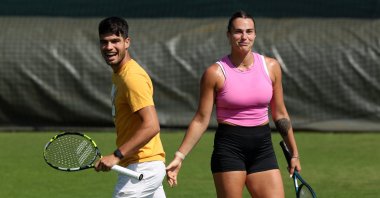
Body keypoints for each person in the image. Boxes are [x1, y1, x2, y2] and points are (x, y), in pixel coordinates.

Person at [166, 10, 301, 198]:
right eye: (238, 32)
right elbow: (201, 119)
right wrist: (179, 156)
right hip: (229, 149)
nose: (244, 37)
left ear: (255, 34)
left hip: (263, 148)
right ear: (228, 35)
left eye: (249, 31)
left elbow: (280, 114)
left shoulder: (271, 67)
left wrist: (294, 153)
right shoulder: (214, 73)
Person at [94, 16, 166, 198]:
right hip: (143, 166)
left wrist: (117, 155)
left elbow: (151, 125)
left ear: (127, 42)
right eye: (104, 42)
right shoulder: (119, 75)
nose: (109, 47)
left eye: (115, 41)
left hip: (142, 167)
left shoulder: (131, 77)